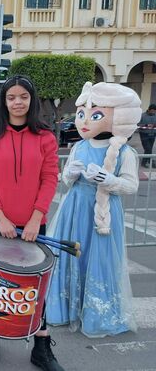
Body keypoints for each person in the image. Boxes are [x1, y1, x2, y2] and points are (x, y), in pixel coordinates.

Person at [0, 75, 61, 370]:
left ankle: (41, 347)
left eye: (23, 96)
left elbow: (50, 178)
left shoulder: (46, 137)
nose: (17, 102)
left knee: (35, 289)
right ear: (3, 101)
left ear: (31, 100)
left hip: (34, 226)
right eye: (11, 97)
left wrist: (37, 218)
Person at [46, 82, 141, 338]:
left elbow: (131, 185)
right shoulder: (79, 146)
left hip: (104, 214)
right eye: (81, 114)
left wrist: (107, 180)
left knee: (100, 262)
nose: (85, 121)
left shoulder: (124, 152)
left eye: (95, 115)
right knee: (70, 258)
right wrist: (70, 173)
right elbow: (66, 181)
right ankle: (65, 310)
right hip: (74, 210)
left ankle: (98, 314)